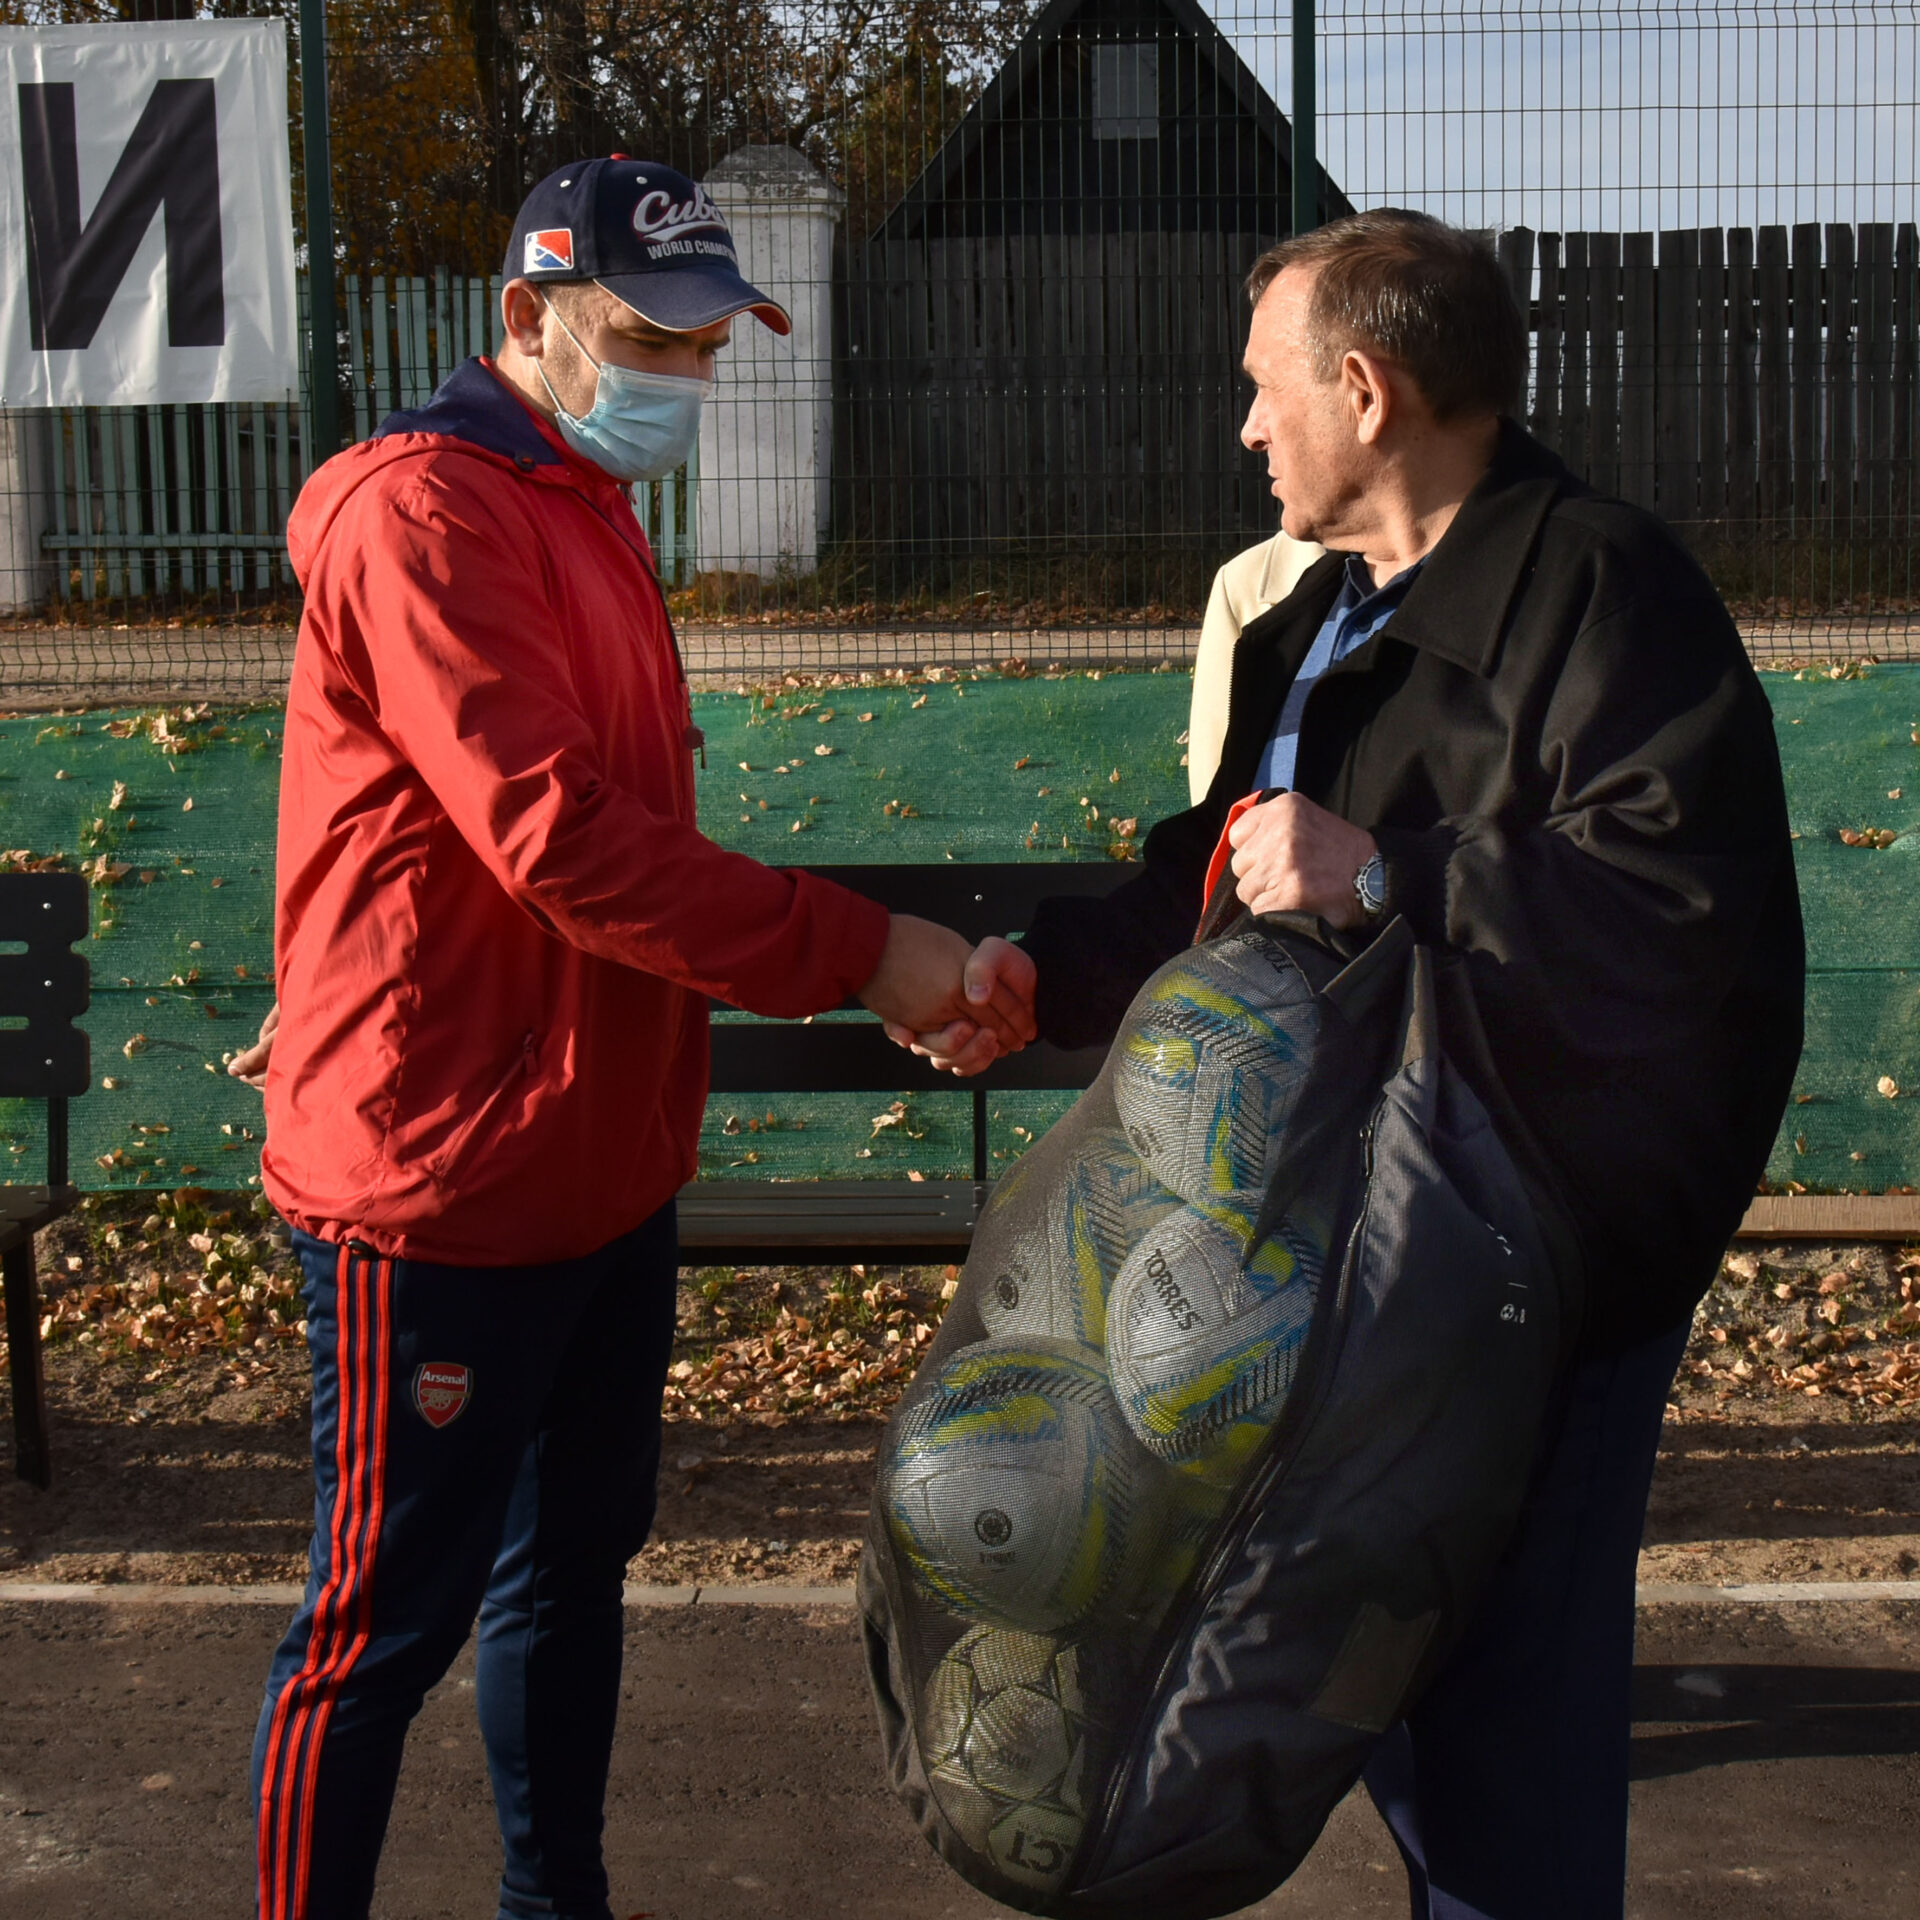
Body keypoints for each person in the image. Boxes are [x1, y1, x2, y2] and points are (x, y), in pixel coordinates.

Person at [902, 209, 1804, 1914]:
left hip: (1518, 1281)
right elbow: (1221, 868)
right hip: (1306, 1263)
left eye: (1264, 388)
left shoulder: (1604, 588)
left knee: (1500, 1764)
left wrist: (1394, 871)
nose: (1246, 426)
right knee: (1345, 1693)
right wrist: (1045, 967)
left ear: (1366, 390)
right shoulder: (1306, 617)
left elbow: (1682, 915)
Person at [247, 157, 1030, 1920]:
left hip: (600, 1164)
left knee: (568, 1577)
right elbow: (561, 842)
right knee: (375, 1633)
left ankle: (560, 1901)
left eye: (706, 344)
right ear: (526, 319)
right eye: (649, 338)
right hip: (439, 1185)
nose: (684, 377)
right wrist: (866, 951)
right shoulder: (421, 515)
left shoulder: (580, 507)